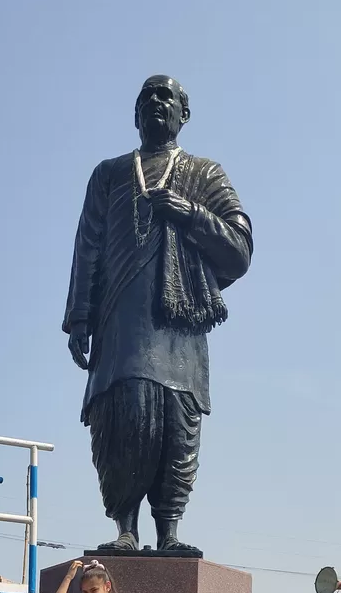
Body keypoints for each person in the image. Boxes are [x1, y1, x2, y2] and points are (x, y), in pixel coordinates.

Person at [64, 75, 253, 553]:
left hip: (180, 330)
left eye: (165, 95)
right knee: (123, 417)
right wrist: (80, 317)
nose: (155, 101)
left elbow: (240, 249)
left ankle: (169, 532)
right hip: (120, 326)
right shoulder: (109, 174)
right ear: (134, 115)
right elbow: (87, 246)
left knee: (176, 421)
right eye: (146, 96)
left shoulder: (205, 175)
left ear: (183, 115)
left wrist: (190, 213)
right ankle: (125, 529)